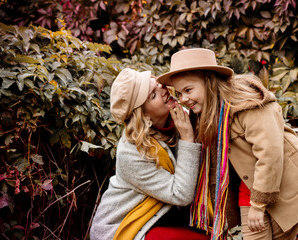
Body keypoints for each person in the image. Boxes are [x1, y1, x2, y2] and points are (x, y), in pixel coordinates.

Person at [157, 48, 298, 240]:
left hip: (283, 188)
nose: (183, 99)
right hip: (249, 192)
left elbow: (269, 154)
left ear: (209, 81)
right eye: (179, 93)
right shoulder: (206, 114)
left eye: (188, 90)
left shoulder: (247, 103)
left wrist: (258, 205)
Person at [90, 68, 210, 240]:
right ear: (144, 115)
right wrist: (187, 139)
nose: (163, 91)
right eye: (153, 95)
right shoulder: (131, 151)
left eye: (158, 85)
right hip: (126, 226)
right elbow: (181, 194)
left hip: (161, 217)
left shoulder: (178, 119)